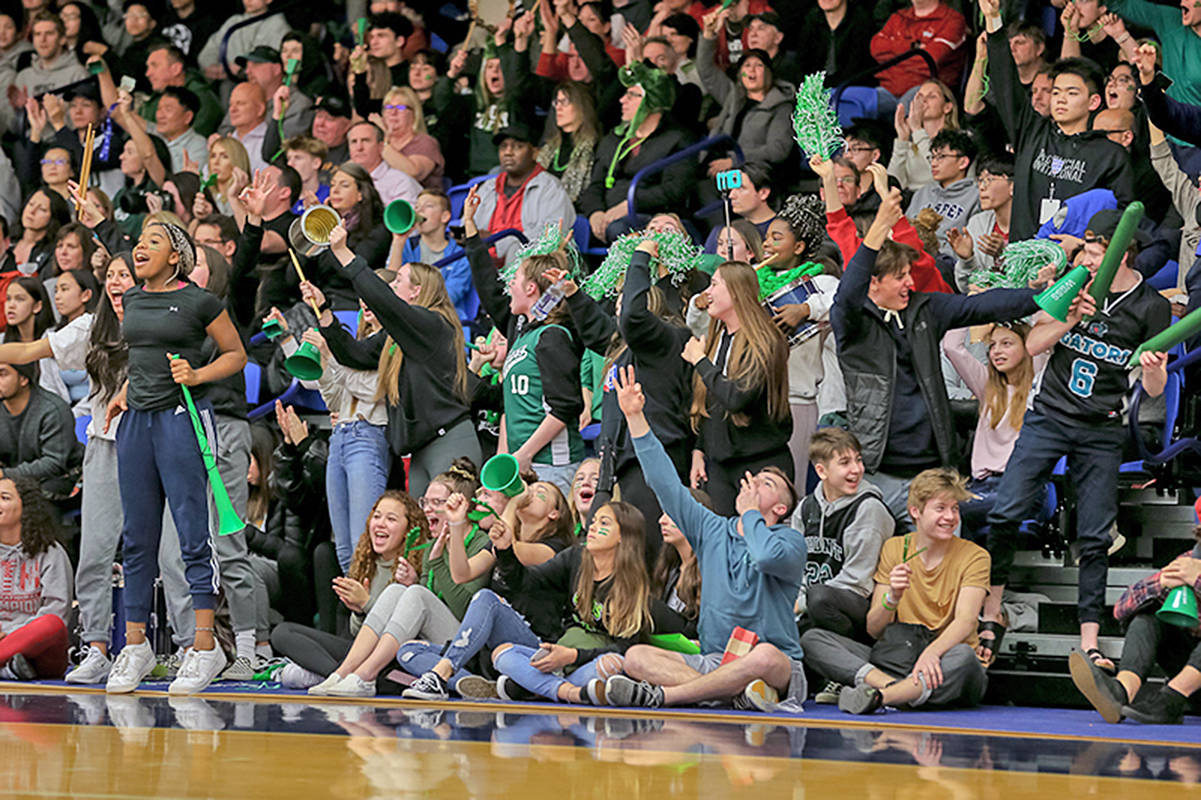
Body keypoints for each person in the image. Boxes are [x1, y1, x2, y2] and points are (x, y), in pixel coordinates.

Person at [980, 208, 1171, 673]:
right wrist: (1067, 315)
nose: (1086, 256)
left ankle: (1090, 640)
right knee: (1006, 510)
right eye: (1084, 249)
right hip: (1050, 415)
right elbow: (1031, 344)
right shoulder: (1073, 282)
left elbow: (1154, 390)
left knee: (1094, 534)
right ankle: (991, 610)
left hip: (1101, 426)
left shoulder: (1152, 306)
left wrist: (1154, 371)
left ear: (1121, 253)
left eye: (1094, 249)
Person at [600, 365, 805, 711]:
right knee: (635, 657)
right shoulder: (712, 530)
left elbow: (765, 556)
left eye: (768, 484)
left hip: (772, 665)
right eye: (755, 479)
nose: (755, 482)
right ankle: (734, 694)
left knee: (765, 657)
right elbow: (665, 484)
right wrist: (635, 417)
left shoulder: (789, 541)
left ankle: (668, 696)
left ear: (782, 510)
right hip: (717, 660)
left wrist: (751, 513)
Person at [830, 189, 1039, 525]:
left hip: (932, 471)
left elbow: (983, 305)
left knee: (941, 568)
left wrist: (1043, 296)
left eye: (909, 274)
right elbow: (847, 293)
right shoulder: (852, 322)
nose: (910, 283)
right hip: (876, 472)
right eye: (900, 277)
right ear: (874, 284)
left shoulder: (925, 309)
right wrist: (877, 230)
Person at [101, 221, 247, 695]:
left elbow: (236, 355)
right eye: (140, 241)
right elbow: (144, 355)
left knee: (190, 534)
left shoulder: (199, 300)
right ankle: (136, 645)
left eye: (153, 242)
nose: (141, 248)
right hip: (137, 423)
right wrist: (124, 390)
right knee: (137, 537)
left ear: (176, 256)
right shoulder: (135, 300)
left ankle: (204, 646)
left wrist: (198, 372)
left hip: (181, 419)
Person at [61, 252, 195, 684]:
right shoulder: (91, 329)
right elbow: (36, 349)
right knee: (95, 552)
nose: (118, 281)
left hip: (161, 445)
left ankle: (192, 646)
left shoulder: (164, 320)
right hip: (105, 447)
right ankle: (96, 647)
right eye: (111, 275)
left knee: (172, 556)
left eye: (126, 273)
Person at [802, 469, 991, 714]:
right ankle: (899, 691)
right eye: (941, 508)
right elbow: (875, 628)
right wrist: (893, 597)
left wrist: (933, 653)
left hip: (945, 656)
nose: (950, 517)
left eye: (954, 509)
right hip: (898, 655)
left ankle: (882, 697)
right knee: (812, 640)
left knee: (966, 659)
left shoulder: (975, 556)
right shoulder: (895, 548)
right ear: (916, 512)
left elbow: (965, 622)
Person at [315, 222, 480, 499]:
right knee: (423, 537)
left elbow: (383, 301)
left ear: (416, 292)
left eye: (397, 281)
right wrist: (325, 313)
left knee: (453, 528)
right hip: (419, 448)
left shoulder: (432, 324)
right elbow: (353, 355)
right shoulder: (395, 337)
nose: (391, 287)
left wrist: (344, 253)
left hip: (448, 439)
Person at [489, 500, 687, 704]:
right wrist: (505, 550)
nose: (592, 526)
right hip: (563, 658)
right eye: (593, 521)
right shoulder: (575, 558)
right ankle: (569, 693)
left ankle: (536, 687)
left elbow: (625, 648)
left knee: (613, 665)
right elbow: (525, 583)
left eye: (604, 523)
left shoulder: (632, 590)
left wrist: (573, 656)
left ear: (623, 536)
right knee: (502, 653)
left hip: (590, 663)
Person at [464, 185, 584, 493]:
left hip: (550, 466)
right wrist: (470, 228)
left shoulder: (553, 336)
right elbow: (489, 289)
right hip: (520, 463)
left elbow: (565, 406)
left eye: (515, 279)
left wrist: (525, 455)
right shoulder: (522, 328)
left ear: (531, 289)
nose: (509, 286)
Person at [980, 0, 1133, 240]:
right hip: (1024, 261)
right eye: (1056, 92)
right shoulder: (1032, 132)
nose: (1060, 100)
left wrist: (1082, 245)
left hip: (1075, 267)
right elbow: (1005, 83)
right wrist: (993, 21)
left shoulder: (1110, 155)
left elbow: (1123, 218)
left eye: (1072, 93)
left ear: (1093, 102)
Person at [269, 490, 418, 688]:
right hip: (357, 653)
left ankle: (337, 676)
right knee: (282, 632)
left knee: (291, 676)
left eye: (391, 519)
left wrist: (366, 603)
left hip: (390, 657)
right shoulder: (367, 562)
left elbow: (405, 631)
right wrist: (357, 610)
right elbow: (357, 632)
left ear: (409, 529)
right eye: (377, 516)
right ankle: (339, 676)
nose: (381, 523)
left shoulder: (413, 566)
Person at [686, 260, 791, 516]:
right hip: (721, 463)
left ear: (736, 291)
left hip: (761, 463)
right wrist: (700, 448)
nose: (706, 293)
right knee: (724, 545)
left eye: (714, 284)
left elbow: (736, 397)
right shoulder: (718, 335)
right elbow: (713, 399)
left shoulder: (765, 340)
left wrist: (699, 361)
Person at [1071, 525, 1201, 725]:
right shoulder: (1190, 561)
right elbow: (1121, 609)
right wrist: (1160, 584)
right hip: (1192, 679)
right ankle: (1121, 692)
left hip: (1183, 689)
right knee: (1148, 616)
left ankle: (1171, 698)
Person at [941, 321, 1045, 548]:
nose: (997, 351)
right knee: (938, 509)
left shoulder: (1038, 387)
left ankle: (969, 576)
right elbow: (952, 347)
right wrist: (970, 306)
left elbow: (1042, 340)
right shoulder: (987, 387)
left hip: (1022, 487)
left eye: (1007, 343)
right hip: (981, 486)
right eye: (993, 345)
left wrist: (1034, 291)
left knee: (949, 513)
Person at [793, 428, 893, 645]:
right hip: (811, 603)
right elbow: (795, 567)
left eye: (858, 460)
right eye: (845, 462)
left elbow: (859, 582)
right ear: (821, 471)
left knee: (819, 598)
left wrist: (801, 604)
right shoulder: (805, 508)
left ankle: (855, 652)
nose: (857, 469)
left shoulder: (868, 508)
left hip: (857, 606)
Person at [579, 62, 695, 243]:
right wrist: (595, 213)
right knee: (571, 230)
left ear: (652, 101)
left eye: (632, 95)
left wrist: (630, 204)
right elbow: (596, 184)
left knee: (619, 230)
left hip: (652, 216)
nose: (622, 100)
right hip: (607, 215)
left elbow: (674, 190)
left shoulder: (677, 139)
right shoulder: (615, 138)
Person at [697, 11, 795, 177]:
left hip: (750, 172)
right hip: (715, 166)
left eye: (758, 66)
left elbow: (778, 150)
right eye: (746, 66)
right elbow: (706, 71)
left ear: (769, 73)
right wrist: (709, 34)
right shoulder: (734, 95)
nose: (751, 71)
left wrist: (735, 160)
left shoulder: (780, 103)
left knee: (706, 194)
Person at [471, 122, 576, 266]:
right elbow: (470, 222)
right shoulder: (488, 187)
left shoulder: (550, 188)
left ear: (535, 152)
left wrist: (496, 240)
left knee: (517, 249)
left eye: (517, 146)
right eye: (503, 147)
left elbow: (551, 237)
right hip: (486, 266)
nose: (508, 152)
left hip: (530, 269)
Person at [0, 477, 72, 681]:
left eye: (4, 498)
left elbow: (57, 612)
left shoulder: (51, 553)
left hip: (40, 654)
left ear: (27, 508)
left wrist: (12, 635)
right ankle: (8, 669)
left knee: (51, 624)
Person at [399, 189, 477, 332]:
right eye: (417, 207)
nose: (419, 210)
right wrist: (398, 241)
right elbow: (391, 283)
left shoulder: (460, 256)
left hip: (445, 324)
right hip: (407, 320)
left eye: (428, 206)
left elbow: (448, 297)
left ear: (445, 216)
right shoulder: (406, 247)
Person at [0, 361, 78, 498]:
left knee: (32, 500)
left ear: (23, 379)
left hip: (59, 479)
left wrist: (5, 474)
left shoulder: (52, 409)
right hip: (13, 478)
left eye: (2, 374)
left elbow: (54, 464)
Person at [870, 0, 967, 103]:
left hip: (925, 93)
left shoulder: (953, 20)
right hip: (887, 91)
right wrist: (912, 47)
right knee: (852, 97)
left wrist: (894, 60)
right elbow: (875, 48)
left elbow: (929, 60)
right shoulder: (898, 17)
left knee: (910, 106)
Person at [904, 129, 980, 258]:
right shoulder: (923, 193)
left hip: (948, 262)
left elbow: (970, 249)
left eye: (941, 157)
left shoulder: (976, 196)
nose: (934, 163)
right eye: (932, 157)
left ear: (963, 162)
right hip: (911, 255)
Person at [949, 156, 1014, 290]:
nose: (982, 187)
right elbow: (965, 287)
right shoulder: (978, 222)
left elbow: (1032, 284)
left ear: (1012, 186)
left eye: (989, 180)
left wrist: (1003, 254)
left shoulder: (1029, 225)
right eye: (980, 180)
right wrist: (967, 259)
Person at [889, 80, 960, 191]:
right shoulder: (913, 143)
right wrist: (902, 140)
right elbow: (894, 183)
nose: (924, 101)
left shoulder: (959, 139)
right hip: (913, 203)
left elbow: (940, 173)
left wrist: (917, 129)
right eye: (920, 97)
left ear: (947, 107)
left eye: (932, 96)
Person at [536, 81, 600, 204]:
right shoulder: (550, 147)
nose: (558, 108)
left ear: (582, 107)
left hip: (569, 214)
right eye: (556, 102)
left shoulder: (593, 147)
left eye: (564, 102)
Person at [377, 85, 444, 189]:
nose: (393, 112)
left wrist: (385, 145)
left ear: (414, 113)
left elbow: (413, 173)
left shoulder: (426, 143)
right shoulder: (377, 140)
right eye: (388, 107)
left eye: (400, 107)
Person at [347, 120, 421, 207]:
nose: (359, 147)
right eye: (354, 142)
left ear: (380, 146)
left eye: (365, 140)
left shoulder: (401, 182)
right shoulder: (341, 182)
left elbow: (404, 219)